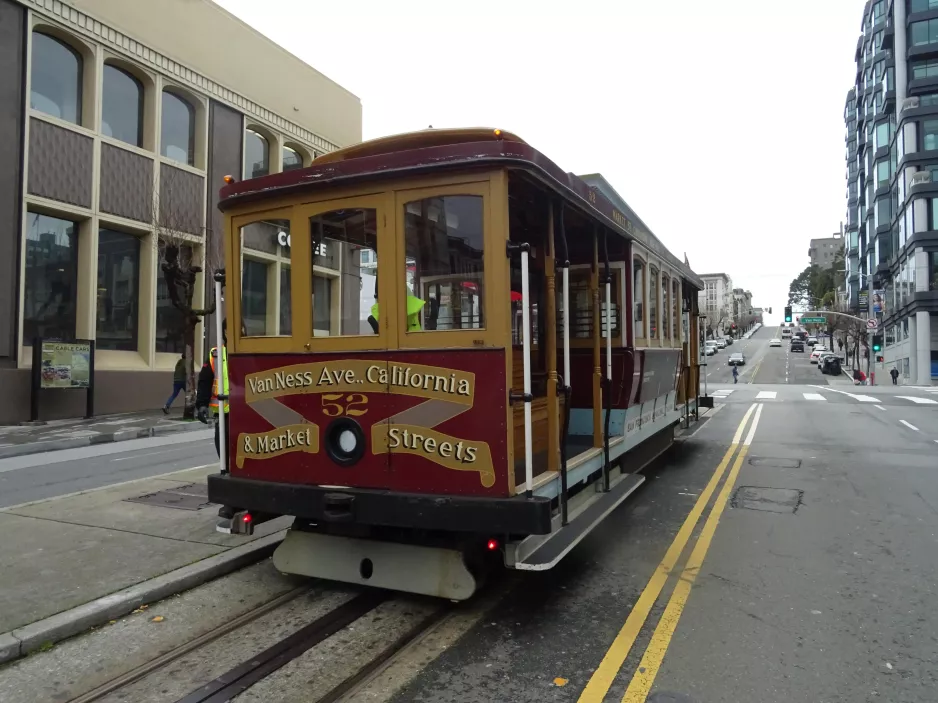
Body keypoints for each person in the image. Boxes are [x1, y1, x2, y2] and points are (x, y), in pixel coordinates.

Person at [195, 320, 229, 469]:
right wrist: (201, 404)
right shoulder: (215, 355)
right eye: (229, 329)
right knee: (223, 451)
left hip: (244, 412)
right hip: (222, 413)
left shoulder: (247, 353)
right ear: (225, 332)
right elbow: (205, 381)